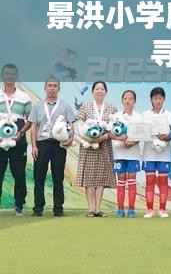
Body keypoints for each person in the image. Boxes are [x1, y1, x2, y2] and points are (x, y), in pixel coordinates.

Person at [30, 77, 76, 217]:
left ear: (59, 88)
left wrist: (70, 139)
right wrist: (34, 146)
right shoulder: (37, 106)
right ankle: (38, 208)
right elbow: (33, 127)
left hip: (59, 145)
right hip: (42, 144)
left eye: (55, 86)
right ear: (45, 88)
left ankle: (58, 208)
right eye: (49, 85)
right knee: (39, 177)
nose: (52, 88)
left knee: (58, 177)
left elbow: (71, 125)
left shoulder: (65, 106)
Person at [75, 81, 117, 217]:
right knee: (89, 178)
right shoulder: (85, 106)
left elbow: (115, 128)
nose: (99, 91)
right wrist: (88, 138)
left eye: (102, 89)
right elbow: (79, 124)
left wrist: (103, 137)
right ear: (92, 91)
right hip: (88, 146)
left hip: (104, 146)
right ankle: (91, 209)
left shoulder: (111, 108)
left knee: (101, 178)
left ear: (106, 92)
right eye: (97, 89)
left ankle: (98, 209)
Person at [0, 64, 32, 216]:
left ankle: (19, 204)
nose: (9, 76)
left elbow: (30, 119)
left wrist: (21, 132)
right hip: (0, 140)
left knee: (19, 174)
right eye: (7, 73)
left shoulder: (24, 97)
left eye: (12, 74)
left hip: (18, 140)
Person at [142, 87, 171, 219]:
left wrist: (167, 136)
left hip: (164, 153)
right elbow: (142, 131)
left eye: (160, 98)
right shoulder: (145, 115)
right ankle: (149, 209)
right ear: (151, 100)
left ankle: (162, 209)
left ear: (164, 99)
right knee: (149, 181)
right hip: (149, 152)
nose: (158, 101)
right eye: (155, 98)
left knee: (163, 182)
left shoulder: (169, 115)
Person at [112, 90, 141, 218]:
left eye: (130, 98)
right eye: (125, 98)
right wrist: (123, 139)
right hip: (119, 153)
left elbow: (142, 134)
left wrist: (132, 142)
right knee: (121, 180)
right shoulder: (116, 116)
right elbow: (111, 133)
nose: (128, 101)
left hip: (133, 154)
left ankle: (131, 209)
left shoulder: (139, 117)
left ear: (134, 101)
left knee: (132, 181)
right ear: (122, 101)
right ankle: (120, 209)